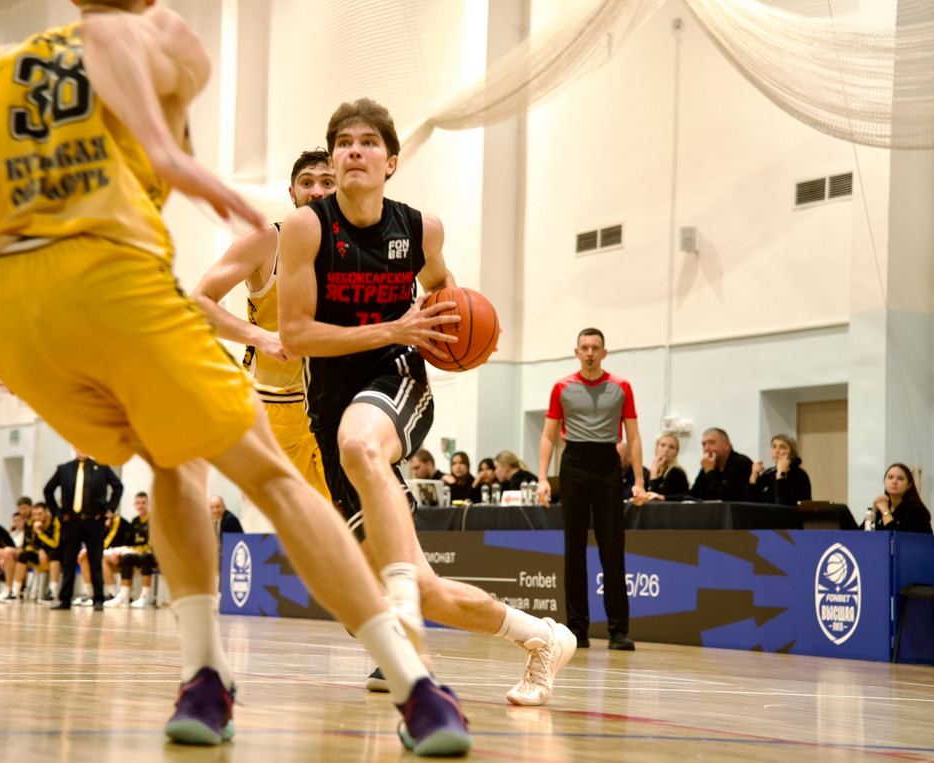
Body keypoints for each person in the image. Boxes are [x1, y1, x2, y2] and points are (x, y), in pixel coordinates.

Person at [0, 5, 468, 752]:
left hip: (8, 312)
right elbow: (127, 66)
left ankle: (205, 674)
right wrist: (176, 159)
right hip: (119, 290)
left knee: (174, 464)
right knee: (271, 481)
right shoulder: (167, 37)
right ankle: (414, 687)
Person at [277, 96, 575, 708]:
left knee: (360, 442)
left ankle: (401, 609)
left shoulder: (421, 230)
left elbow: (444, 293)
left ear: (390, 161)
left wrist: (461, 336)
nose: (354, 151)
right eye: (344, 143)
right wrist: (394, 326)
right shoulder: (307, 229)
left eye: (368, 142)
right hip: (330, 402)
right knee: (425, 589)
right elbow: (296, 336)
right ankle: (544, 638)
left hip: (395, 378)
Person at [190, 149, 335, 500]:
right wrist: (262, 337)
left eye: (327, 182)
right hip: (275, 406)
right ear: (292, 193)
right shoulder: (266, 241)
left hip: (335, 402)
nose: (317, 190)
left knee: (347, 517)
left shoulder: (359, 249)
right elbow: (198, 302)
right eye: (307, 183)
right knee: (293, 518)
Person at [538, 328, 645, 652]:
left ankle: (618, 631)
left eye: (595, 348)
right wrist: (542, 477)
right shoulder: (562, 387)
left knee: (612, 547)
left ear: (603, 353)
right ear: (577, 352)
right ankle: (577, 629)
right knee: (574, 547)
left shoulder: (621, 387)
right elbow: (548, 435)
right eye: (584, 347)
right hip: (573, 461)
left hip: (607, 462)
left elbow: (634, 436)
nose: (589, 352)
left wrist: (639, 480)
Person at [44, 449, 123, 611]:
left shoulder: (101, 467)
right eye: (77, 446)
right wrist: (57, 513)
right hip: (71, 521)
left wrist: (109, 509)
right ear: (73, 447)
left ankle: (98, 598)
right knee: (69, 561)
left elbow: (118, 487)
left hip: (94, 521)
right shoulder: (64, 469)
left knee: (95, 560)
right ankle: (65, 599)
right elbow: (48, 490)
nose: (81, 449)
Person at [108, 492, 157, 608]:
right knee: (126, 557)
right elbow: (129, 541)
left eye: (143, 503)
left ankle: (145, 597)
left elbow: (150, 546)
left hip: (153, 555)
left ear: (148, 504)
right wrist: (121, 549)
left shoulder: (153, 519)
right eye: (138, 503)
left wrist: (130, 549)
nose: (141, 506)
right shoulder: (135, 521)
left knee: (146, 557)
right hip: (137, 553)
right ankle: (123, 596)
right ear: (134, 504)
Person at [75, 508, 132, 605]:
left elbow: (108, 541)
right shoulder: (100, 522)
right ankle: (90, 593)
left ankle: (113, 593)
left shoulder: (117, 520)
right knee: (85, 557)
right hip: (112, 554)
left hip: (124, 554)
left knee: (99, 555)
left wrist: (90, 549)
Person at [863, 464, 933, 533]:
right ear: (885, 481)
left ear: (909, 485)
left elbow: (897, 536)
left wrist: (885, 511)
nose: (894, 482)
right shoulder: (885, 505)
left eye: (900, 479)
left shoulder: (916, 509)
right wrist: (873, 512)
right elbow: (863, 534)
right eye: (890, 477)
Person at [745, 434, 811, 506]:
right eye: (774, 447)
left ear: (792, 452)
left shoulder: (799, 475)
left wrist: (781, 475)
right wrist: (753, 476)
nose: (776, 451)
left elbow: (783, 504)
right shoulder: (770, 473)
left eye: (782, 447)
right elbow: (749, 503)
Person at [690, 428, 753, 501]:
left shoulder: (741, 463)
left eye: (711, 443)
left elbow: (724, 498)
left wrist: (710, 472)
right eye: (704, 444)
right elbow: (694, 494)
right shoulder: (711, 464)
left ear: (726, 445)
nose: (706, 448)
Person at [644, 433, 689, 501]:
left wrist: (654, 473)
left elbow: (655, 500)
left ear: (676, 453)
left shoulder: (675, 473)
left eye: (671, 447)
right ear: (656, 448)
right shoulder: (649, 473)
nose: (666, 450)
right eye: (663, 445)